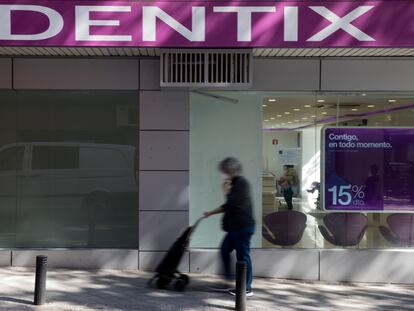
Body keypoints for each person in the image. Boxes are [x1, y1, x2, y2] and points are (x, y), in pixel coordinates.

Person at [203, 157, 255, 297]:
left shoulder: (241, 183)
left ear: (230, 170)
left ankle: (247, 287)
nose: (223, 174)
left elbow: (231, 204)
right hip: (235, 227)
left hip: (243, 227)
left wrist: (225, 192)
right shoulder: (235, 183)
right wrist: (211, 212)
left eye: (224, 171)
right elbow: (230, 205)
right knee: (225, 250)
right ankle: (227, 281)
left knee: (243, 256)